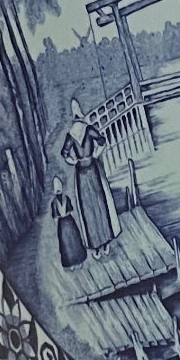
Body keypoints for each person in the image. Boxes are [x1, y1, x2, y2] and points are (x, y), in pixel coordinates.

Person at [59, 98, 120, 257]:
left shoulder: (71, 134)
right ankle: (105, 243)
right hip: (92, 168)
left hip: (81, 172)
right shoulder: (88, 128)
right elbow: (102, 140)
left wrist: (74, 161)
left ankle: (96, 246)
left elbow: (64, 153)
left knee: (88, 209)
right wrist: (95, 154)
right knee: (100, 205)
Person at [50, 175, 86, 270]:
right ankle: (70, 263)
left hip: (68, 221)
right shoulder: (54, 203)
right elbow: (55, 215)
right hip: (62, 223)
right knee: (66, 244)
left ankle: (79, 260)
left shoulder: (66, 198)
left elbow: (70, 209)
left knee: (74, 241)